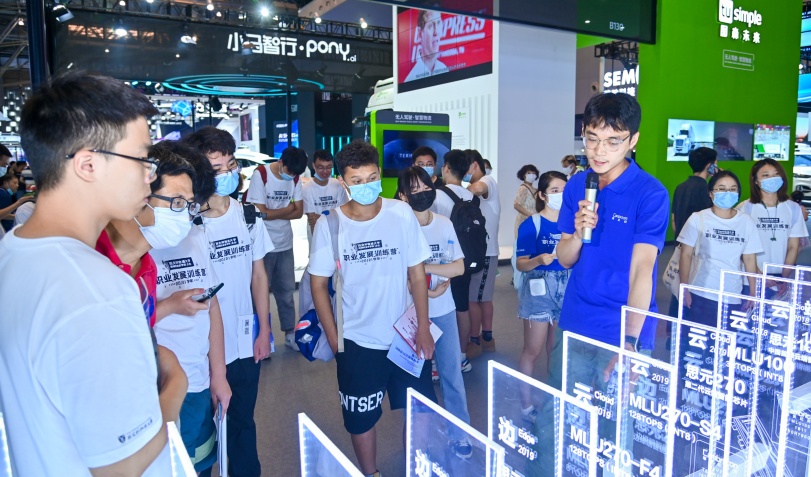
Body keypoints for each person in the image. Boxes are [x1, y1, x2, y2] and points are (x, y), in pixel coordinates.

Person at [0, 72, 184, 475]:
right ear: (87, 164)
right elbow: (122, 466)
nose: (150, 175)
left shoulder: (13, 252)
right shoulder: (96, 289)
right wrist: (175, 388)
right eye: (142, 159)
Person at [309, 141, 436, 477]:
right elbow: (318, 285)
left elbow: (417, 275)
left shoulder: (400, 213)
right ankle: (371, 473)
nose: (366, 185)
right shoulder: (330, 225)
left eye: (372, 178)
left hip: (405, 336)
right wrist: (335, 339)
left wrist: (424, 328)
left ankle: (416, 469)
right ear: (343, 181)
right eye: (357, 180)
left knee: (420, 409)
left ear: (380, 173)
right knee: (361, 418)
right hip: (357, 341)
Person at [131, 142, 230, 474]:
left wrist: (219, 374)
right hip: (159, 388)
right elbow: (119, 329)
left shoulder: (192, 232)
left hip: (199, 379)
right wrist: (171, 305)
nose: (184, 214)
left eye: (190, 204)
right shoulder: (129, 252)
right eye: (176, 201)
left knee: (201, 463)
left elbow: (211, 306)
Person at [184, 127, 274, 477]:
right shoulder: (187, 223)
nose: (227, 174)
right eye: (216, 168)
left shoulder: (247, 215)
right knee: (202, 434)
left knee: (242, 423)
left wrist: (264, 330)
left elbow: (259, 276)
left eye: (231, 165)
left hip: (245, 341)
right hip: (202, 348)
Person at [397, 165, 472, 458]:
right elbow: (398, 275)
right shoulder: (399, 227)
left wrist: (421, 269)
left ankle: (460, 434)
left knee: (453, 374)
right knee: (417, 379)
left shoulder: (443, 223)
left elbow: (459, 267)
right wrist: (426, 289)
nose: (422, 193)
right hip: (410, 314)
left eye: (425, 187)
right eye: (414, 189)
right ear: (403, 195)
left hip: (444, 310)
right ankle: (419, 443)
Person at [515, 171, 569, 420]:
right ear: (543, 195)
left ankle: (553, 403)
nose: (561, 195)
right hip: (538, 291)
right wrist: (538, 259)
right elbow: (521, 264)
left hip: (566, 289)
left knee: (556, 350)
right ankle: (526, 406)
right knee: (532, 350)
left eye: (564, 190)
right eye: (555, 190)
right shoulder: (532, 224)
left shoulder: (572, 224)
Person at [678, 170, 762, 324]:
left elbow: (750, 258)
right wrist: (684, 288)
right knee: (698, 335)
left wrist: (753, 291)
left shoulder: (746, 222)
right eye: (722, 189)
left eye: (732, 189)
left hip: (732, 293)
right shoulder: (698, 218)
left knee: (727, 336)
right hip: (700, 291)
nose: (727, 193)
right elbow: (685, 255)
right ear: (711, 193)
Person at [246, 146, 308, 350]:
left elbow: (298, 213)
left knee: (287, 292)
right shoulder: (261, 175)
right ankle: (261, 337)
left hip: (285, 242)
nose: (292, 176)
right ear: (281, 162)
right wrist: (287, 209)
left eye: (295, 174)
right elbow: (259, 213)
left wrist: (273, 213)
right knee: (259, 293)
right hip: (262, 245)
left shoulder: (295, 178)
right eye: (289, 171)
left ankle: (290, 333)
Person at [430, 149, 475, 371]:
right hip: (466, 258)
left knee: (440, 310)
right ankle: (462, 356)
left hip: (442, 261)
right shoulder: (471, 195)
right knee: (462, 307)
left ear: (446, 168)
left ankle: (437, 361)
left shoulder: (437, 195)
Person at [737, 159, 808, 281]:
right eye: (766, 175)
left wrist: (784, 276)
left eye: (776, 174)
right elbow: (741, 247)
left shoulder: (793, 208)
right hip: (751, 278)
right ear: (756, 181)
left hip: (782, 278)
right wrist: (761, 276)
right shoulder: (744, 208)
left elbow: (793, 246)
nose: (772, 178)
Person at [667, 147, 717, 318]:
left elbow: (674, 221)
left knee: (679, 289)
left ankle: (675, 330)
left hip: (680, 248)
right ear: (710, 166)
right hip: (699, 252)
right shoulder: (707, 191)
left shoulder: (681, 187)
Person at [466, 149, 500, 354]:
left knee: (474, 299)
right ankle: (486, 338)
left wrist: (458, 190)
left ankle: (475, 340)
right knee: (483, 298)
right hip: (482, 252)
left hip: (485, 253)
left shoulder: (487, 180)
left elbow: (478, 188)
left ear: (474, 165)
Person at [302, 149, 348, 242]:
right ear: (313, 166)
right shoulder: (306, 188)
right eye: (321, 167)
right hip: (318, 239)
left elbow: (345, 213)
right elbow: (313, 221)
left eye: (328, 167)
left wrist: (321, 217)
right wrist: (334, 216)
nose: (325, 171)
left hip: (339, 237)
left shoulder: (338, 185)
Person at [404, 9, 449, 82]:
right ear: (420, 34)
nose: (436, 32)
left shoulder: (444, 70)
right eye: (431, 25)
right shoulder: (411, 79)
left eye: (438, 23)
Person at [513, 164, 539, 237]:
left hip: (534, 220)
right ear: (524, 175)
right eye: (529, 173)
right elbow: (516, 205)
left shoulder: (534, 189)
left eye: (533, 173)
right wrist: (529, 214)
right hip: (525, 220)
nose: (532, 175)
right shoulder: (523, 188)